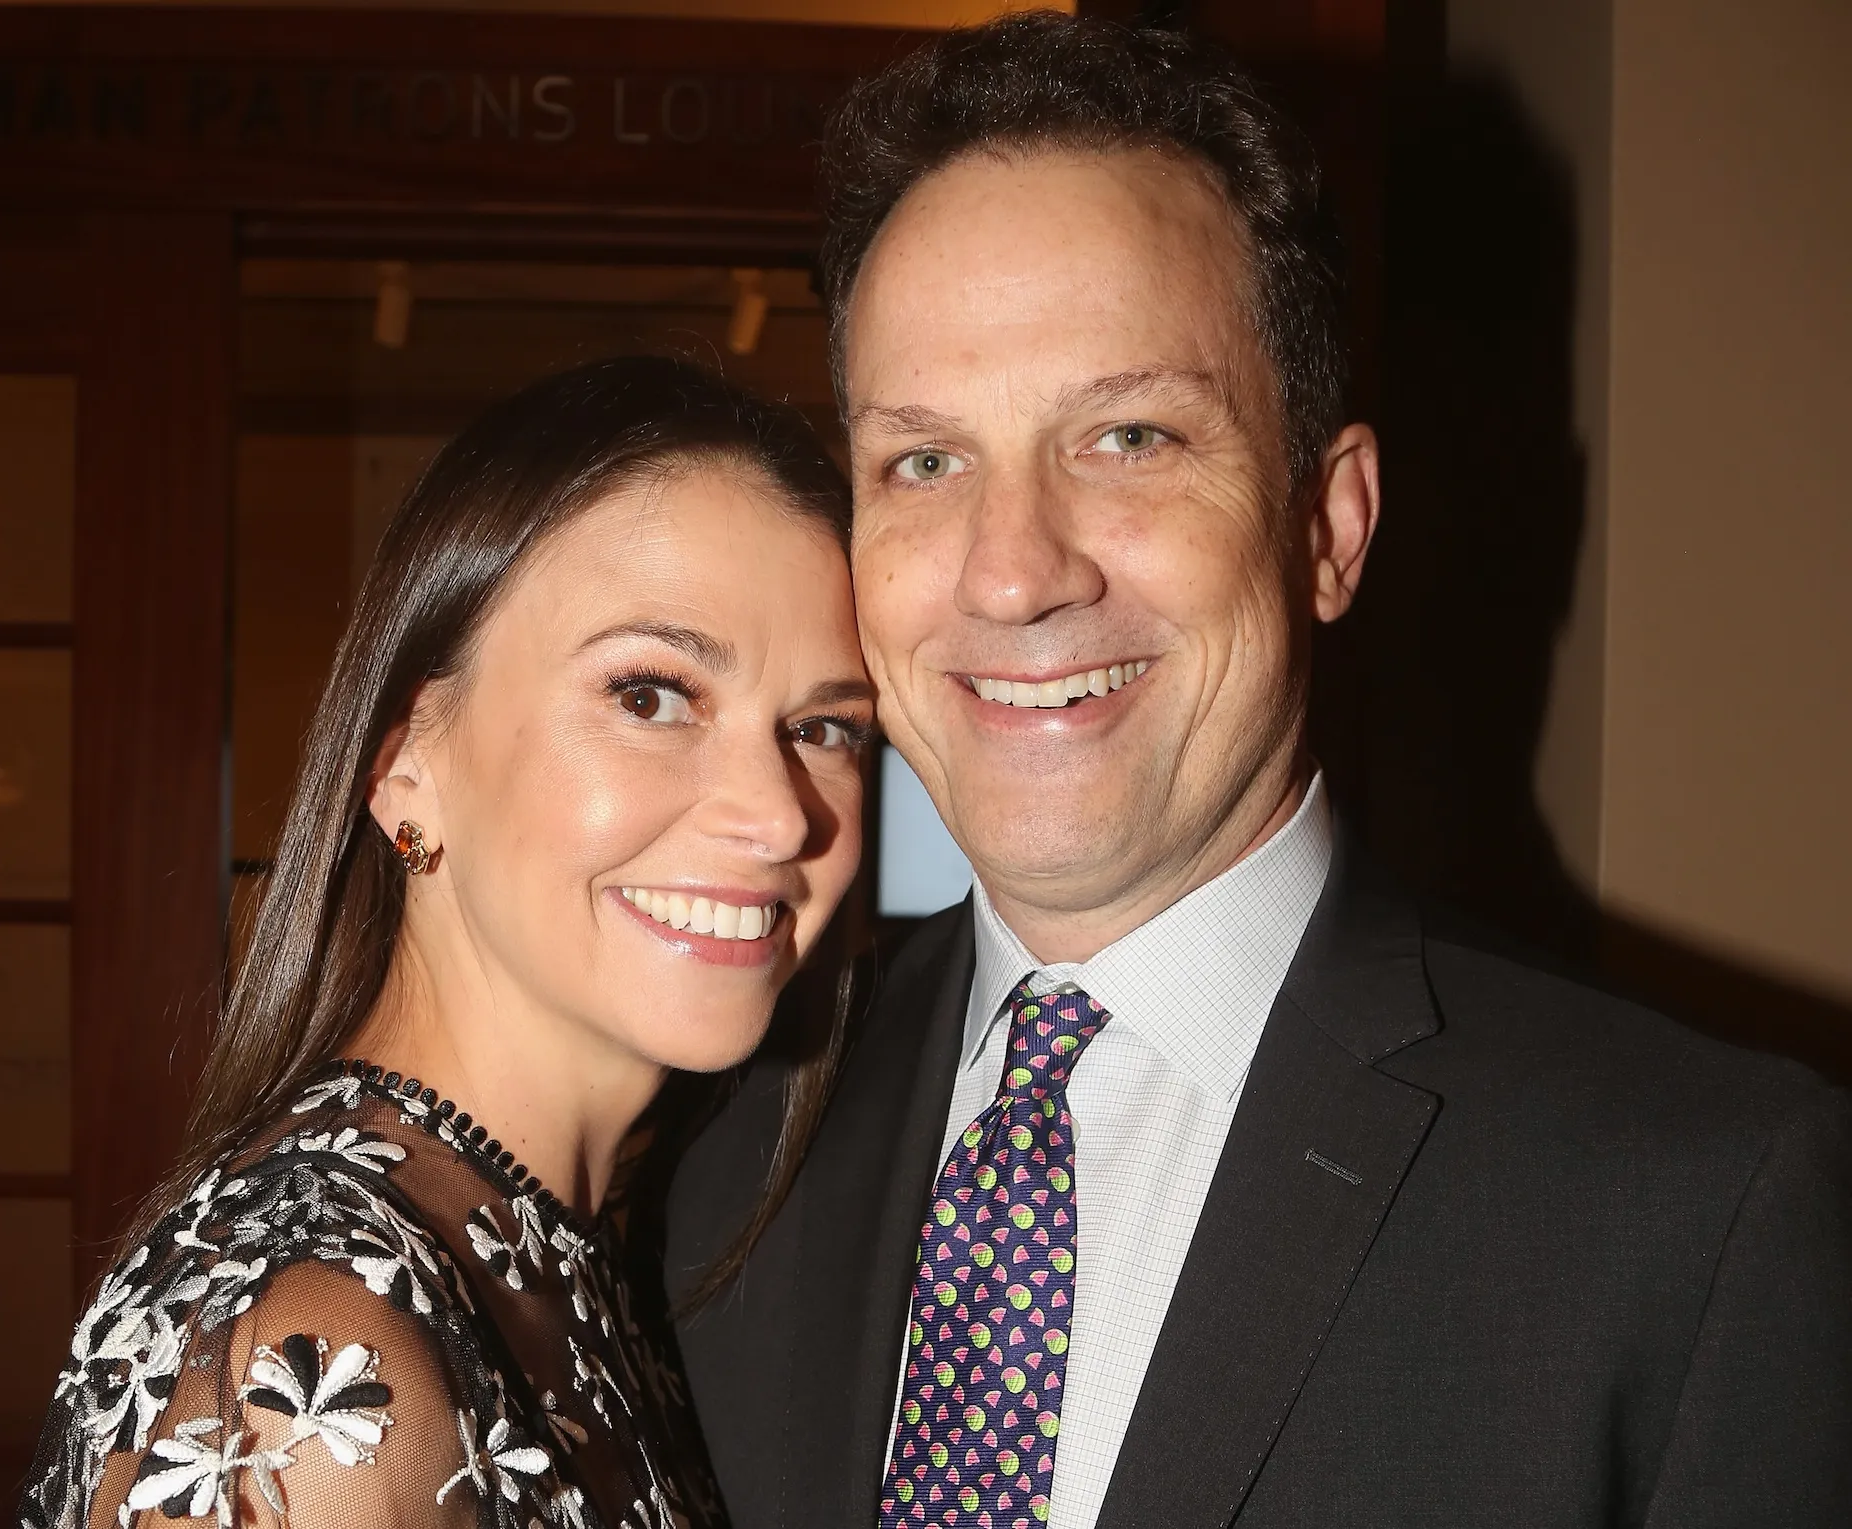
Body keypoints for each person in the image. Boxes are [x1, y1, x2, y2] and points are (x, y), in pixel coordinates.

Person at [665, 15, 1852, 1529]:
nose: (1013, 572)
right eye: (924, 461)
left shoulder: (1699, 1217)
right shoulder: (721, 1147)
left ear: (1330, 528)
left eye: (1131, 435)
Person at [19, 356, 876, 1529]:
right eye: (649, 694)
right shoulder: (314, 1371)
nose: (780, 814)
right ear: (406, 761)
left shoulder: (584, 1240)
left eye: (825, 724)